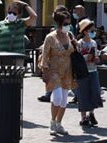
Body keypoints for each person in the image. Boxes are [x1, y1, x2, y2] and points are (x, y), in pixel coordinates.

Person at [40, 7, 77, 136]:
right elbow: (44, 55)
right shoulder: (50, 37)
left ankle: (59, 123)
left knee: (64, 100)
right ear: (59, 23)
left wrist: (76, 44)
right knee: (57, 97)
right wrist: (44, 71)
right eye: (66, 24)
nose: (68, 26)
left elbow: (74, 51)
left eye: (69, 23)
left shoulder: (70, 36)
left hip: (68, 70)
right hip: (54, 70)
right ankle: (52, 122)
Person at [76, 18, 103, 128]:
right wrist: (85, 57)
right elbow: (77, 59)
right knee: (83, 93)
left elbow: (96, 55)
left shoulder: (94, 43)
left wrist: (97, 59)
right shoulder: (79, 44)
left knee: (94, 92)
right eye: (91, 30)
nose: (93, 32)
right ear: (85, 31)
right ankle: (83, 117)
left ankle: (91, 113)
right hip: (83, 72)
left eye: (94, 30)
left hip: (93, 70)